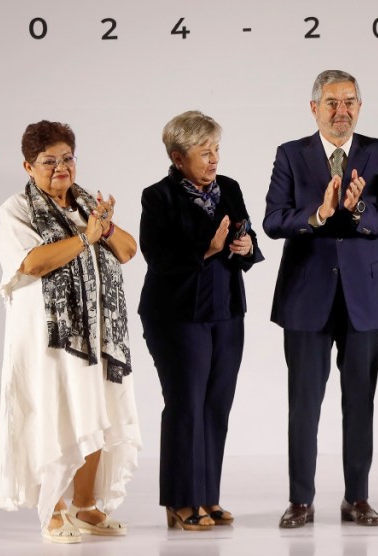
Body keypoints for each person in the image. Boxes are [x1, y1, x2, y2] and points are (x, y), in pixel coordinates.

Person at [264, 69, 378, 528]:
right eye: (331, 103)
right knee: (304, 402)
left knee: (359, 400)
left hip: (364, 294)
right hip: (307, 292)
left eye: (349, 102)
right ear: (314, 108)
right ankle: (300, 500)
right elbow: (273, 220)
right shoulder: (291, 155)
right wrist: (319, 214)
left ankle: (356, 498)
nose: (341, 111)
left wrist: (358, 207)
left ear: (359, 108)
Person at [0, 120, 141, 543]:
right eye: (48, 161)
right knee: (54, 414)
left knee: (96, 413)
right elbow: (32, 263)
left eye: (67, 158)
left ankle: (86, 506)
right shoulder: (16, 209)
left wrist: (104, 228)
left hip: (96, 336)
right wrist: (85, 237)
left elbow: (128, 252)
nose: (61, 167)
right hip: (49, 338)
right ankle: (53, 510)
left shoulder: (87, 203)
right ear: (28, 166)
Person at [138, 111, 264, 531]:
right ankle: (180, 500)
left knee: (216, 406)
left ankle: (207, 496)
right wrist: (207, 247)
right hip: (176, 315)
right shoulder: (157, 197)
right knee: (186, 405)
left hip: (226, 311)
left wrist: (245, 246)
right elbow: (158, 257)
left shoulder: (229, 188)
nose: (214, 160)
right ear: (178, 157)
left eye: (216, 150)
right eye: (203, 152)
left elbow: (247, 239)